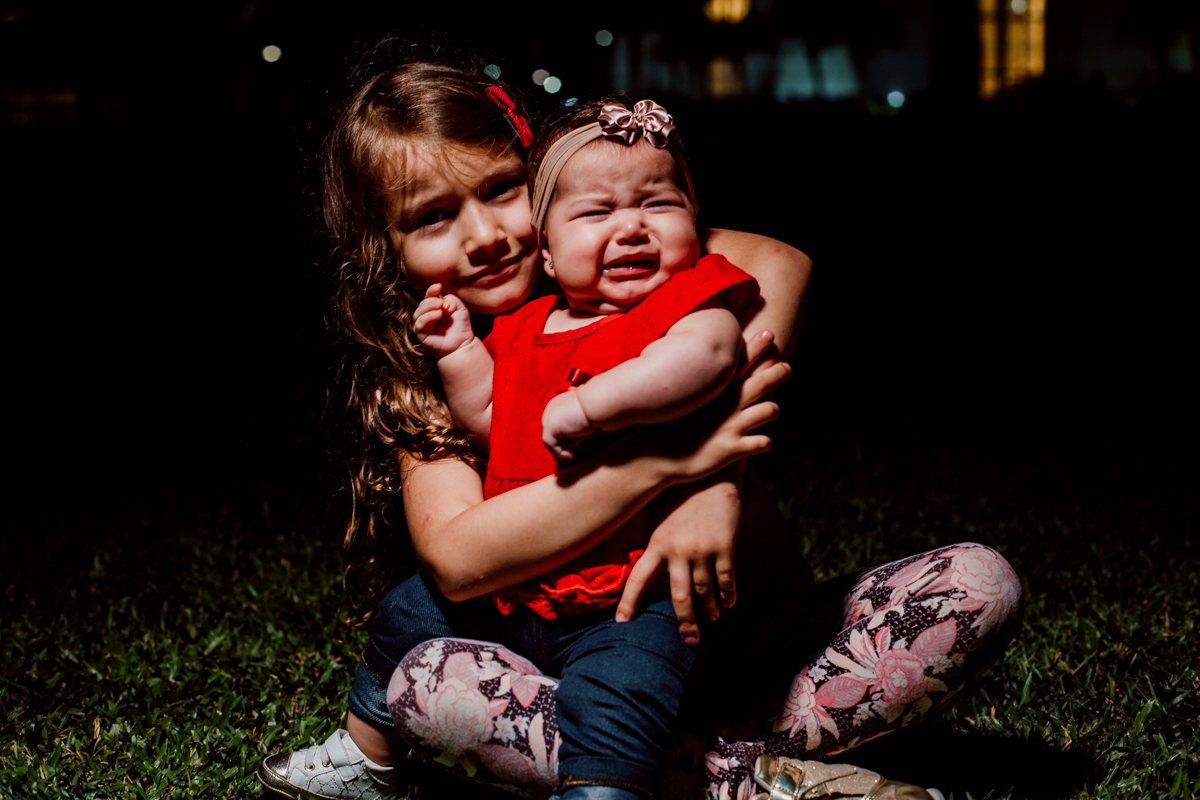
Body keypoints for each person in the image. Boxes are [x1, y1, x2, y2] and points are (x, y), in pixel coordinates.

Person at [257, 45, 1020, 800]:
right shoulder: (431, 377)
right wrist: (670, 463)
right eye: (432, 216)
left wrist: (712, 488)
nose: (485, 234)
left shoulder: (634, 266)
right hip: (586, 662)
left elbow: (780, 262)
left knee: (978, 583)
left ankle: (705, 755)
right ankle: (740, 782)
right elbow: (458, 559)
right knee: (426, 685)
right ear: (385, 250)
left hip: (745, 650)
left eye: (502, 189)